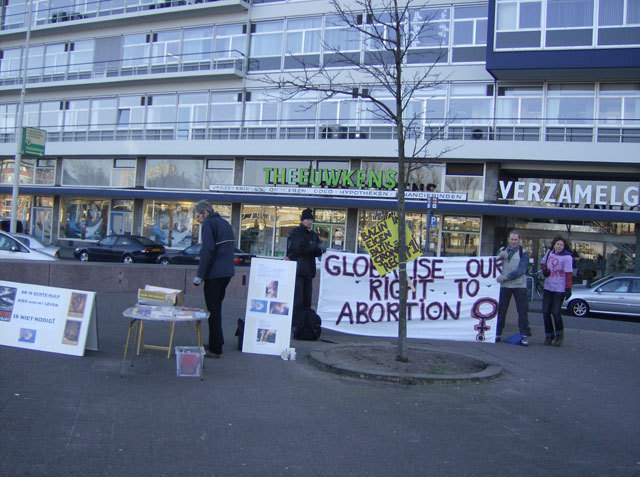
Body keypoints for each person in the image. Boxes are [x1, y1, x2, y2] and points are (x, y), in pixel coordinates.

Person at [192, 200, 235, 358]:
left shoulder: (209, 224)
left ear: (205, 213)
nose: (197, 220)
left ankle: (215, 349)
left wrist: (200, 275)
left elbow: (208, 250)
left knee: (212, 311)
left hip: (214, 275)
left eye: (198, 216)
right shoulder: (224, 223)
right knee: (217, 309)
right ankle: (217, 341)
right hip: (226, 273)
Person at [286, 208, 324, 335]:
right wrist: (314, 247)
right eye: (307, 220)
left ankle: (305, 323)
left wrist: (316, 248)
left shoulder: (313, 234)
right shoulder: (296, 232)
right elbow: (300, 248)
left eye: (311, 220)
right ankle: (296, 324)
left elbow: (318, 251)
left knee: (307, 300)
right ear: (302, 221)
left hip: (308, 270)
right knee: (298, 300)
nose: (309, 222)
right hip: (297, 270)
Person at [496, 230, 531, 346]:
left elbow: (522, 270)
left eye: (516, 239)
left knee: (522, 311)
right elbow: (493, 266)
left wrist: (506, 277)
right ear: (508, 240)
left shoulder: (524, 253)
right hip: (505, 286)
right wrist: (498, 257)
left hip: (519, 286)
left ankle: (524, 335)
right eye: (512, 239)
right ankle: (497, 333)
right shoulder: (501, 250)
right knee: (501, 310)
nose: (514, 241)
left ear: (519, 240)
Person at [540, 235, 574, 347]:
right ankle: (549, 335)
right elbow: (543, 263)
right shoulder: (550, 252)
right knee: (545, 312)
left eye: (561, 245)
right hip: (548, 287)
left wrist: (568, 288)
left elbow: (569, 274)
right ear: (554, 244)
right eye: (557, 244)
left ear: (564, 246)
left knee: (555, 312)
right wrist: (544, 271)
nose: (559, 246)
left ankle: (559, 335)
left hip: (559, 288)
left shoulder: (567, 257)